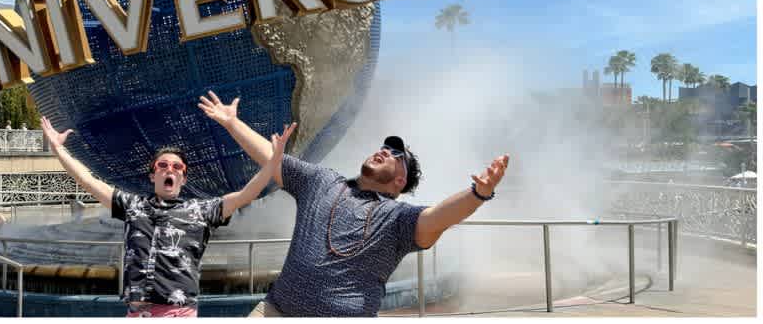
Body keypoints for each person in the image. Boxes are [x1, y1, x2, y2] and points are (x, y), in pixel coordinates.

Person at [198, 91, 510, 317]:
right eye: (384, 147)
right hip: (276, 311)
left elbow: (436, 218)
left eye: (396, 154)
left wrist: (477, 194)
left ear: (400, 181)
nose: (385, 151)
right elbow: (271, 157)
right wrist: (231, 123)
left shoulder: (396, 218)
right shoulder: (321, 181)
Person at [40, 115, 291, 318]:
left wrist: (274, 159)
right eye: (162, 166)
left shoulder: (200, 212)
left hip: (178, 312)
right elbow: (86, 180)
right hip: (137, 312)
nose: (169, 169)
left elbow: (247, 194)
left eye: (177, 167)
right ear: (153, 176)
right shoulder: (132, 206)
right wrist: (58, 149)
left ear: (183, 177)